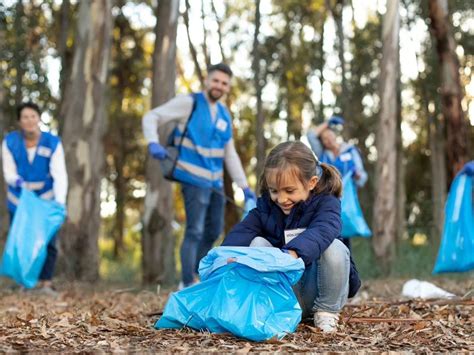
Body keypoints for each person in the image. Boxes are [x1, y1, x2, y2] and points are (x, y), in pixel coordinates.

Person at [221, 141, 361, 333]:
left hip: (318, 288)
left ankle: (326, 313)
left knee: (334, 247)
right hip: (286, 292)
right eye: (274, 191)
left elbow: (323, 230)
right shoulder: (267, 208)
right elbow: (243, 231)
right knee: (257, 243)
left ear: (311, 183)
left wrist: (293, 252)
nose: (281, 199)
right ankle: (274, 309)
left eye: (289, 191)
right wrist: (223, 257)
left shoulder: (327, 204)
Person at [142, 63, 256, 289]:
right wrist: (153, 142)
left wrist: (244, 186)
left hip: (215, 184)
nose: (219, 86)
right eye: (216, 81)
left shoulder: (224, 114)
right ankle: (187, 282)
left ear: (228, 87)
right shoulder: (189, 103)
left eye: (224, 83)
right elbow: (151, 116)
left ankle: (195, 272)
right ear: (207, 80)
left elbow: (229, 153)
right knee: (194, 229)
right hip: (192, 179)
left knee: (214, 230)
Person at [2, 102, 68, 294]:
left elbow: (60, 175)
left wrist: (60, 203)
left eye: (33, 116)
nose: (29, 120)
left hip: (45, 199)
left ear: (39, 118)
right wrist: (17, 181)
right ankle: (24, 282)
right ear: (19, 121)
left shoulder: (52, 142)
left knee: (49, 240)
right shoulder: (10, 142)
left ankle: (45, 282)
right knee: (22, 239)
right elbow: (8, 172)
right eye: (25, 117)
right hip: (19, 199)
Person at [307, 116, 368, 247]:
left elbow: (362, 176)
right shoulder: (322, 153)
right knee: (329, 236)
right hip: (327, 200)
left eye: (329, 135)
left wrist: (357, 175)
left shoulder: (350, 151)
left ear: (335, 135)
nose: (327, 140)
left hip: (346, 201)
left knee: (344, 238)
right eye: (324, 139)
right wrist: (327, 123)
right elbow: (311, 135)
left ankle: (346, 266)